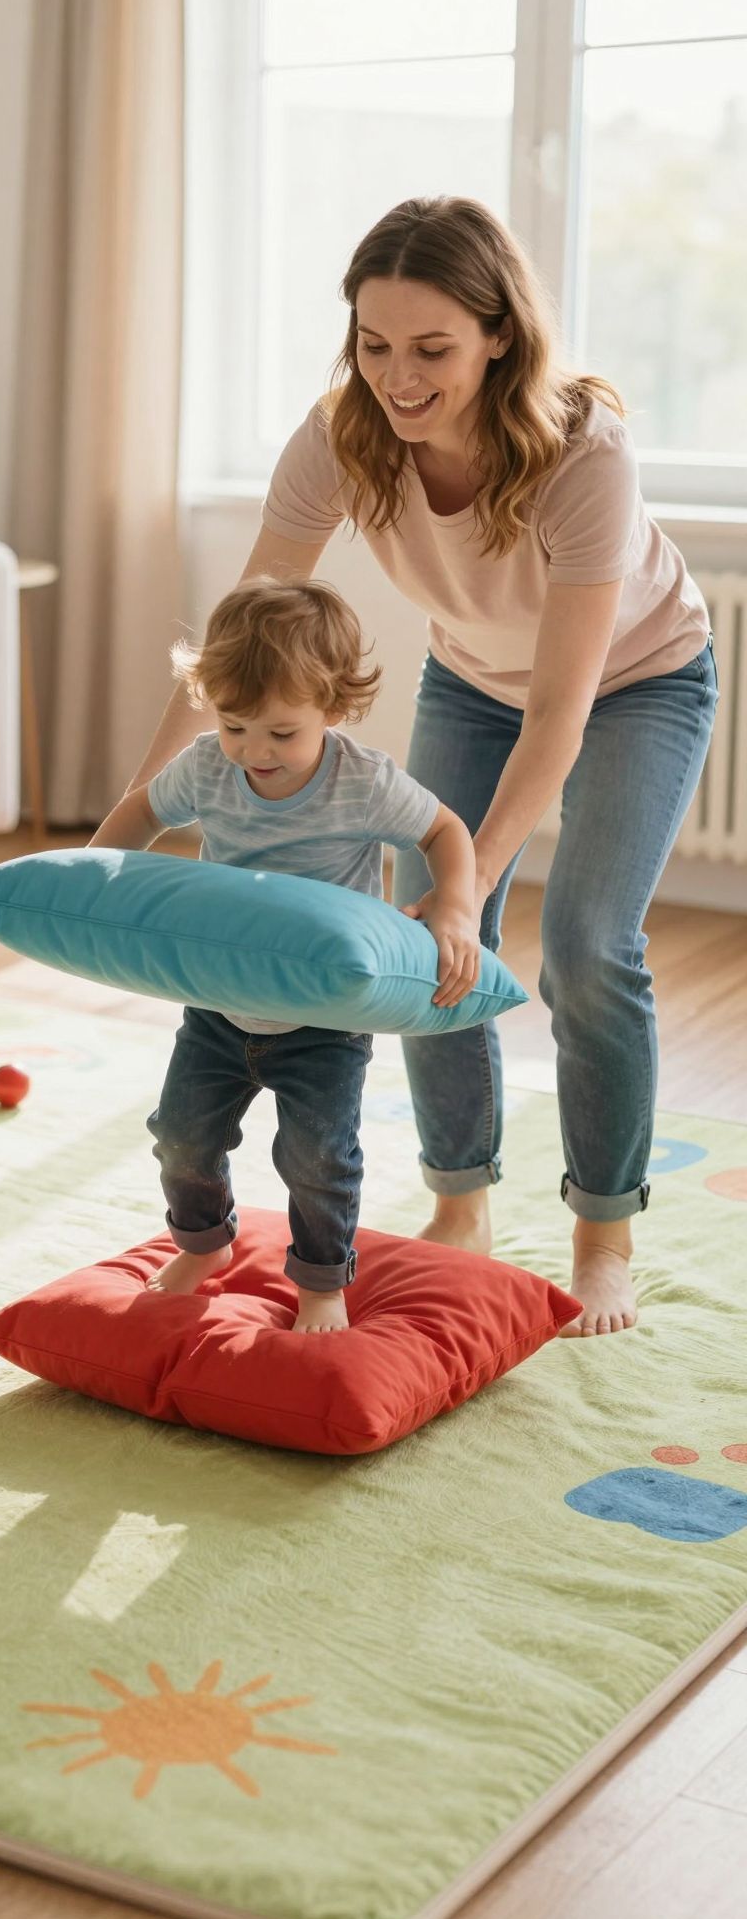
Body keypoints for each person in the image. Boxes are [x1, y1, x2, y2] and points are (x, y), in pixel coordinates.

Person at [125, 195, 718, 1339]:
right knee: (428, 942)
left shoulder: (581, 453)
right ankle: (464, 1200)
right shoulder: (341, 433)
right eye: (374, 342)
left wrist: (469, 878)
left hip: (639, 680)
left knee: (591, 945)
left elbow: (560, 709)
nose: (398, 376)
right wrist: (138, 813)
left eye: (432, 348)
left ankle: (605, 1236)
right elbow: (234, 641)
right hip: (472, 677)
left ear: (500, 335)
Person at [90, 577, 481, 1334]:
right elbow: (143, 807)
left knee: (318, 1158)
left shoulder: (361, 782)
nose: (254, 752)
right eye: (235, 725)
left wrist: (457, 908)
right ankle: (204, 1244)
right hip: (219, 1002)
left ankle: (321, 1286)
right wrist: (91, 878)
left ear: (333, 709)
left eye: (280, 732)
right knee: (181, 1135)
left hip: (325, 1016)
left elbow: (445, 832)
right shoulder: (209, 765)